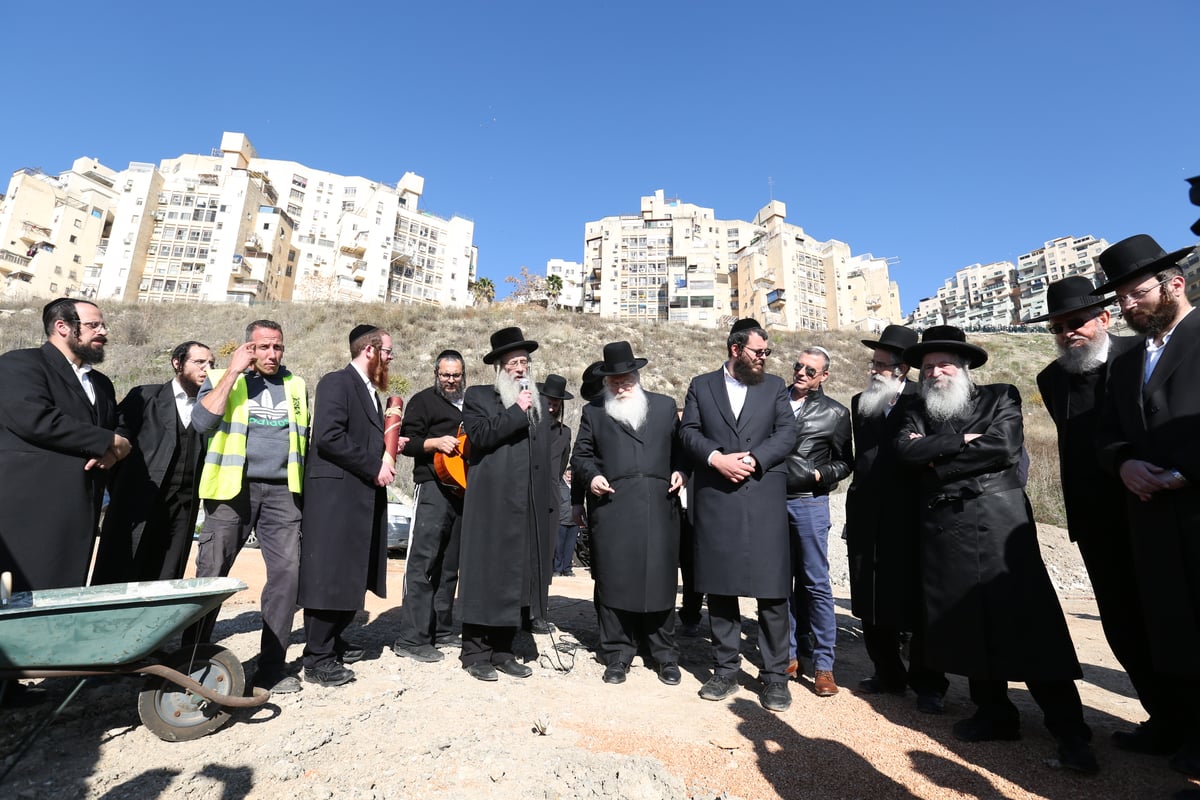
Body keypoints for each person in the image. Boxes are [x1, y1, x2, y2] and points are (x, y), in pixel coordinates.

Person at [895, 325, 1098, 774]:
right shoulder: (915, 410)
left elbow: (1004, 446)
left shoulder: (1000, 396)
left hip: (1000, 527)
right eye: (928, 366)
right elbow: (904, 455)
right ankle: (995, 713)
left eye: (945, 363)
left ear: (965, 367)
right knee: (968, 626)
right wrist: (960, 443)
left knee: (1030, 626)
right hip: (946, 533)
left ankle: (1070, 731)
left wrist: (936, 462)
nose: (936, 372)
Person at [1026, 276, 1161, 737]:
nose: (1068, 333)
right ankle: (1161, 720)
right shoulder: (1051, 379)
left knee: (1171, 621)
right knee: (1123, 627)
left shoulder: (1141, 354)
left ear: (1104, 318)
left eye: (1076, 322)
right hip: (1095, 519)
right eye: (1058, 327)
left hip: (1152, 512)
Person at [1093, 234, 1200, 778]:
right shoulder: (1126, 359)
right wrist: (1124, 464)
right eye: (1121, 300)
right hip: (1149, 516)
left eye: (1136, 294)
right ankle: (1179, 729)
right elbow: (1108, 433)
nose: (1127, 307)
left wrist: (1185, 472)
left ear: (1174, 284)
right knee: (1169, 630)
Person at [679, 319, 796, 712]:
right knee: (721, 588)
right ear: (735, 349)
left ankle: (775, 677)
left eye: (766, 353)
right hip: (717, 498)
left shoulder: (776, 386)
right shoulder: (701, 385)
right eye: (758, 352)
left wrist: (754, 459)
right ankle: (725, 670)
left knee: (773, 593)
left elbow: (786, 434)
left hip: (762, 498)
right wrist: (716, 458)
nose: (764, 358)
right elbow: (688, 432)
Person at [187, 319, 308, 694]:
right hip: (232, 489)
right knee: (212, 575)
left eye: (278, 347)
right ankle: (192, 664)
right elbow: (203, 421)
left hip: (282, 494)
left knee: (287, 577)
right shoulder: (226, 376)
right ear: (248, 348)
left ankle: (272, 667)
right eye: (265, 347)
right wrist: (233, 372)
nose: (273, 354)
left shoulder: (297, 385)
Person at [844, 325, 948, 713]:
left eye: (882, 365)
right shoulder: (861, 403)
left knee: (917, 600)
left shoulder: (925, 399)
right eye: (872, 363)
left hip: (912, 514)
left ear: (903, 369)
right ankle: (887, 673)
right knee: (869, 596)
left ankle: (928, 683)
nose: (873, 370)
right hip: (867, 515)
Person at [571, 341, 687, 686]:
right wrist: (593, 477)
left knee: (661, 579)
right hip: (613, 505)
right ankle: (617, 653)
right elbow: (581, 457)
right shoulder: (594, 412)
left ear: (637, 376)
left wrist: (682, 471)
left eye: (626, 379)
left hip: (659, 503)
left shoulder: (665, 407)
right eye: (614, 381)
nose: (621, 386)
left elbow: (684, 450)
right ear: (606, 382)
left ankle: (663, 653)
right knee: (615, 580)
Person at [0, 298, 127, 593]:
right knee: (19, 593)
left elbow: (115, 423)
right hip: (28, 508)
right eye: (93, 325)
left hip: (80, 508)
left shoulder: (102, 384)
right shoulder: (20, 363)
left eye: (102, 324)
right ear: (62, 327)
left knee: (61, 593)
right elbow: (34, 418)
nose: (103, 331)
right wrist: (106, 441)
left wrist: (116, 446)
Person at [297, 325, 400, 687]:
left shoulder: (370, 392)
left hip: (358, 497)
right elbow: (328, 437)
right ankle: (317, 658)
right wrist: (375, 464)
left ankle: (333, 642)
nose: (390, 358)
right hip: (335, 500)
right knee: (330, 576)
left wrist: (386, 451)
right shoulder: (337, 382)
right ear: (370, 349)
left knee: (348, 575)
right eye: (388, 351)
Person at [457, 327, 557, 681]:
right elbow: (481, 437)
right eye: (513, 362)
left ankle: (503, 650)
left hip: (525, 506)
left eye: (524, 362)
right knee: (486, 576)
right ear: (499, 367)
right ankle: (475, 653)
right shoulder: (479, 396)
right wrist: (517, 410)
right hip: (491, 506)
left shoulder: (537, 401)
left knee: (515, 579)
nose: (520, 368)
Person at [92, 341, 215, 584]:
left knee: (166, 573)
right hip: (137, 501)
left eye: (211, 364)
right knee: (120, 569)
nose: (207, 369)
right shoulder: (146, 396)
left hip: (184, 506)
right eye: (199, 362)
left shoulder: (213, 407)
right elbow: (119, 435)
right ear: (177, 363)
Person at [784, 346, 852, 697]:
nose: (802, 373)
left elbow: (845, 462)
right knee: (780, 583)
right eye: (799, 367)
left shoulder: (835, 413)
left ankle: (824, 666)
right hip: (772, 502)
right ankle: (790, 655)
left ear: (824, 376)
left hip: (810, 503)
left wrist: (817, 475)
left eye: (811, 371)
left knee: (815, 584)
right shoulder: (772, 401)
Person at [393, 349, 468, 663]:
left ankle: (441, 628)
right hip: (432, 486)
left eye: (456, 375)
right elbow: (405, 441)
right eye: (445, 375)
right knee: (423, 562)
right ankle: (412, 637)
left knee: (450, 565)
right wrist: (435, 443)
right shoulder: (423, 401)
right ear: (436, 374)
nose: (450, 380)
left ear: (464, 375)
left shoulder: (471, 404)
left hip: (462, 490)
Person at [525, 373, 573, 634]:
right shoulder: (529, 426)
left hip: (551, 499)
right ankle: (520, 612)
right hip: (527, 495)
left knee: (545, 557)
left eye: (557, 402)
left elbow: (562, 465)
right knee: (524, 557)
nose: (552, 405)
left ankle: (539, 614)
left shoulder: (565, 433)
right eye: (548, 400)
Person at [553, 468, 580, 578]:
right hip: (561, 520)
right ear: (564, 474)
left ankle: (567, 569)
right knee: (558, 547)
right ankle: (557, 569)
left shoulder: (576, 487)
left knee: (570, 547)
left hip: (574, 521)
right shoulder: (559, 486)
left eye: (571, 476)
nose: (569, 478)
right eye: (568, 475)